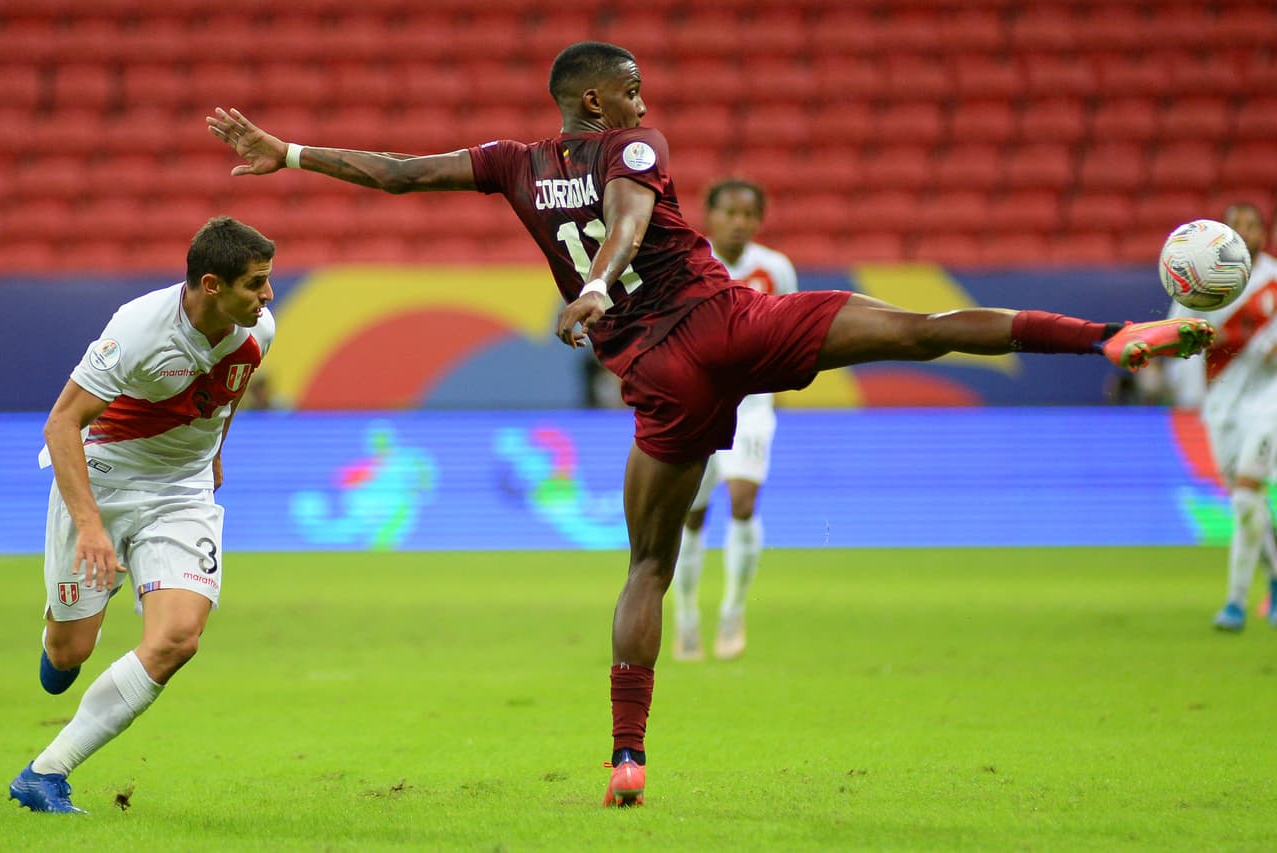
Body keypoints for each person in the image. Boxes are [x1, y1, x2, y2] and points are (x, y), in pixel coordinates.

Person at [207, 41, 1214, 807]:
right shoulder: (631, 142)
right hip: (727, 325)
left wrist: (288, 152)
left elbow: (394, 171)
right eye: (631, 85)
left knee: (645, 563)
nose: (643, 97)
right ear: (594, 98)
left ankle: (627, 753)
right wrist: (601, 277)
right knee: (921, 329)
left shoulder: (510, 162)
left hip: (654, 375)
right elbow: (630, 210)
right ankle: (1106, 338)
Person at [8, 217, 276, 813]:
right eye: (255, 283)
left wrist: (215, 452)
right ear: (212, 285)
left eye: (268, 281)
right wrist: (92, 528)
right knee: (69, 653)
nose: (267, 296)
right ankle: (64, 637)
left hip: (182, 493)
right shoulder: (138, 328)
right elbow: (61, 424)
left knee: (178, 638)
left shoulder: (258, 330)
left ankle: (45, 772)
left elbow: (227, 392)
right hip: (105, 482)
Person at [671, 178, 796, 662]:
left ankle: (733, 611)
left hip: (752, 404)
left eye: (749, 214)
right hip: (695, 402)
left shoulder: (775, 268)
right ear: (711, 215)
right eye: (730, 213)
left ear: (759, 220)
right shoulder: (689, 263)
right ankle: (685, 616)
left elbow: (787, 331)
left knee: (742, 501)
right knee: (692, 517)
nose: (739, 223)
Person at [1166, 202, 1277, 631]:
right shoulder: (1204, 277)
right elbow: (1176, 334)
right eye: (1239, 226)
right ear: (1224, 233)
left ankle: (1234, 602)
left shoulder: (1273, 279)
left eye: (1254, 225)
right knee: (1244, 501)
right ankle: (1274, 577)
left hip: (1269, 401)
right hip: (1223, 404)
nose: (1248, 232)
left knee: (1249, 492)